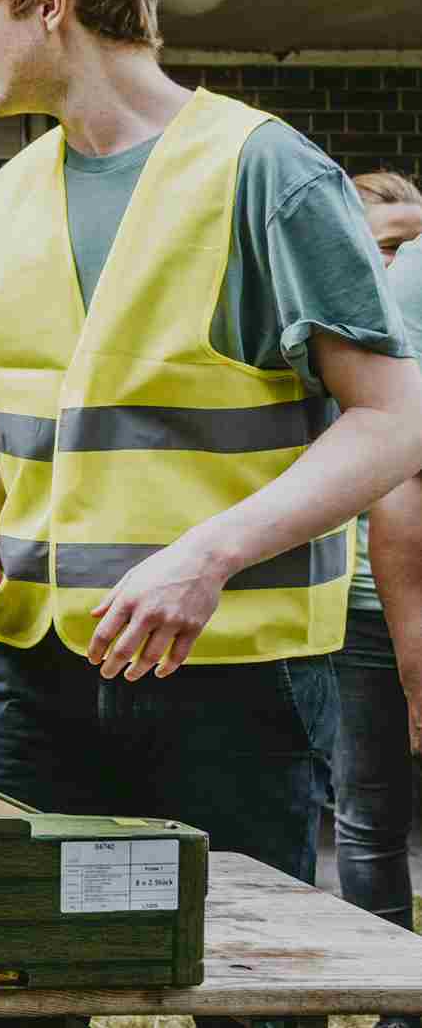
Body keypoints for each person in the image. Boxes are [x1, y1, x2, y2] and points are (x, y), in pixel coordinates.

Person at [0, 0, 422, 930]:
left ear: (47, 2)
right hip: (38, 668)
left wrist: (209, 554)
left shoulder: (267, 172)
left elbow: (393, 420)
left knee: (240, 970)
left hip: (232, 673)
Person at [331, 171, 422, 1028]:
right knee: (368, 816)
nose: (403, 265)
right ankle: (392, 999)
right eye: (389, 248)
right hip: (356, 616)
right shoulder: (335, 347)